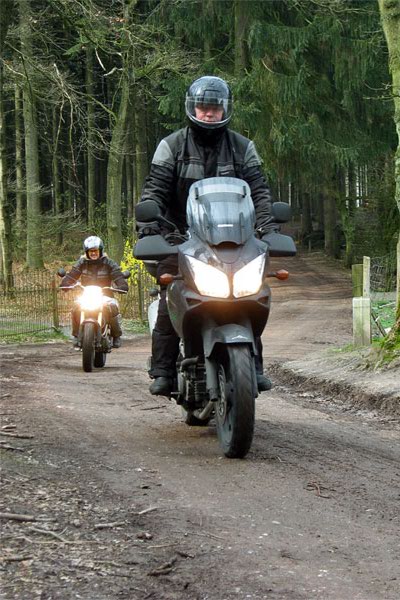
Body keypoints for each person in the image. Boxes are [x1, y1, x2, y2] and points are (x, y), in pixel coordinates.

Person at [138, 75, 278, 396]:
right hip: (180, 237)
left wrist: (268, 227)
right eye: (203, 107)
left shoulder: (243, 147)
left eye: (215, 108)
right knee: (170, 294)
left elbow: (260, 193)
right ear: (193, 108)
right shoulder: (171, 146)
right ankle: (163, 369)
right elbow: (154, 192)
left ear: (225, 109)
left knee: (249, 294)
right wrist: (151, 226)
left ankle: (253, 366)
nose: (209, 114)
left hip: (233, 240)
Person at [60, 236, 129, 348]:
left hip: (105, 294)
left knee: (112, 307)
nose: (93, 253)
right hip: (87, 294)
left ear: (100, 251)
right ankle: (77, 335)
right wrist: (66, 283)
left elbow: (117, 275)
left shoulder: (109, 263)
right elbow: (73, 274)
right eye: (91, 251)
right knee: (76, 308)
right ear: (86, 252)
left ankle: (116, 335)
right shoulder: (82, 263)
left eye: (95, 251)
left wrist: (122, 285)